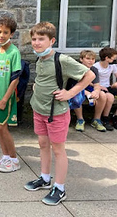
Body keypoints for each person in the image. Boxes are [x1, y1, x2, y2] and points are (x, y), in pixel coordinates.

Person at [25, 22, 95, 206]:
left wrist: (69, 93)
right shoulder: (40, 59)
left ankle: (60, 188)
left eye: (41, 39)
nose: (37, 43)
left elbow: (89, 76)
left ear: (52, 40)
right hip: (39, 109)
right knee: (42, 144)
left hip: (56, 113)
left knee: (58, 149)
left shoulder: (62, 60)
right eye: (34, 39)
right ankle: (45, 177)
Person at [0, 17, 21, 173]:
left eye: (5, 32)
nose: (1, 35)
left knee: (3, 127)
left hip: (5, 98)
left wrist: (4, 99)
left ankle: (14, 159)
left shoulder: (14, 52)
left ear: (11, 34)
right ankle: (5, 156)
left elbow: (15, 79)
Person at [74, 50, 107, 132]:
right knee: (77, 95)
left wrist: (96, 92)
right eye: (88, 58)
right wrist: (87, 93)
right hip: (76, 89)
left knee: (102, 94)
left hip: (89, 89)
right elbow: (74, 86)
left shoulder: (94, 69)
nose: (90, 61)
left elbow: (97, 85)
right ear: (81, 59)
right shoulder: (76, 68)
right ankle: (80, 119)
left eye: (93, 59)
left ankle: (96, 119)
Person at [93, 47, 117, 130]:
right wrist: (98, 86)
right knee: (109, 97)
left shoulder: (112, 66)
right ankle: (101, 119)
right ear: (107, 58)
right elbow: (90, 80)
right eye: (113, 58)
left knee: (110, 96)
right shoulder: (96, 66)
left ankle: (111, 117)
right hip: (98, 87)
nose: (114, 60)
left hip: (107, 87)